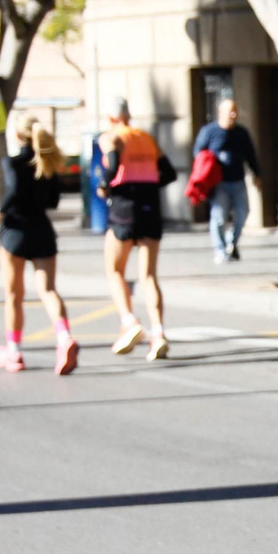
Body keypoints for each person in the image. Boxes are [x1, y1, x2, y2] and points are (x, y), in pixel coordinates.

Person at [0, 116, 79, 375]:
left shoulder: (12, 162)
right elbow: (53, 202)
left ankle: (14, 351)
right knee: (49, 289)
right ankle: (64, 338)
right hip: (42, 231)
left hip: (15, 232)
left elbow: (14, 188)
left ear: (19, 136)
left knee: (14, 294)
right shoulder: (48, 164)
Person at [97, 96, 169, 360]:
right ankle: (159, 333)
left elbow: (113, 165)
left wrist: (104, 186)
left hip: (124, 206)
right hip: (150, 204)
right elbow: (168, 172)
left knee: (115, 269)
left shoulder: (111, 137)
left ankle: (129, 322)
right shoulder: (146, 138)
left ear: (112, 118)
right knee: (149, 275)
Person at [192, 98, 260, 264]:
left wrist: (257, 173)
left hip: (238, 180)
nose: (233, 114)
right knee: (219, 216)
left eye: (235, 111)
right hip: (219, 183)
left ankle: (232, 242)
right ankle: (220, 250)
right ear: (220, 113)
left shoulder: (241, 133)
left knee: (243, 212)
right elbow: (198, 153)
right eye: (230, 111)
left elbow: (250, 154)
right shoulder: (209, 131)